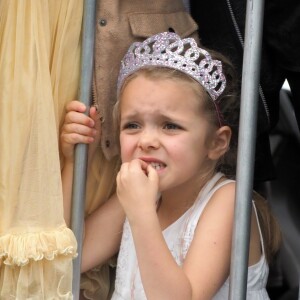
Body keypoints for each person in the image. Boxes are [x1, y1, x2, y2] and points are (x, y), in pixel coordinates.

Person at [61, 32, 281, 299]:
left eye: (170, 126)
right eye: (132, 125)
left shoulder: (227, 201)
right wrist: (76, 163)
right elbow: (68, 257)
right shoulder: (139, 198)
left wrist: (141, 215)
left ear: (216, 142)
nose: (147, 141)